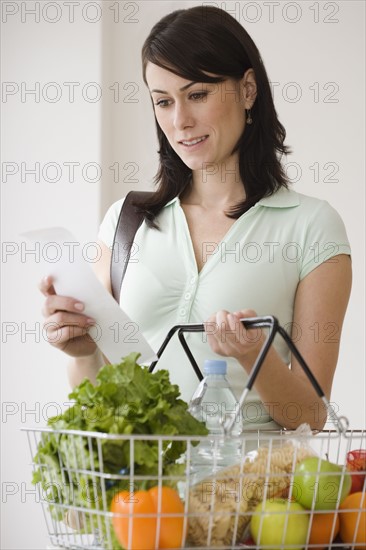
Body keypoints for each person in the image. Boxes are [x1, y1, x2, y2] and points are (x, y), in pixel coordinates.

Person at [39, 6, 352, 432]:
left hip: (249, 491)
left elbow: (312, 417)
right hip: (142, 495)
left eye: (198, 95)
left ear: (247, 89)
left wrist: (251, 355)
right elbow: (98, 397)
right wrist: (82, 354)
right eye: (163, 102)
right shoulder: (124, 223)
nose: (180, 121)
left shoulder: (313, 227)